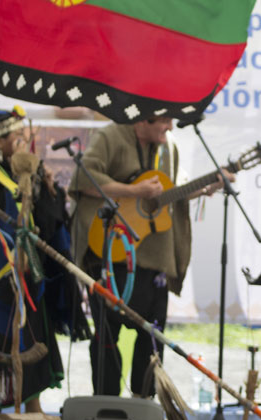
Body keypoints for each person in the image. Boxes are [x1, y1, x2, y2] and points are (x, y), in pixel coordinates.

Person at [68, 115, 230, 397]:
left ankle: (143, 406)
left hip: (154, 259)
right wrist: (134, 191)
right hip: (109, 254)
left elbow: (171, 192)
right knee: (107, 336)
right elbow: (84, 179)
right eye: (165, 121)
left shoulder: (169, 147)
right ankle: (106, 405)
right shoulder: (111, 137)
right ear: (143, 119)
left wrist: (206, 187)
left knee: (152, 339)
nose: (170, 127)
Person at [0, 106, 88, 420]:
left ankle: (32, 408)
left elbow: (36, 216)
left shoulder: (17, 171)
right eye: (17, 137)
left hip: (26, 271)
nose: (23, 142)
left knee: (35, 334)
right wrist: (11, 257)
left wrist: (43, 185)